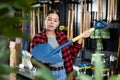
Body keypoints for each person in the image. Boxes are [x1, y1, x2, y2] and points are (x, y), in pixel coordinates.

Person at [30, 9, 90, 80]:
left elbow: (72, 53)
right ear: (45, 20)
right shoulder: (38, 37)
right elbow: (33, 60)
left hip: (63, 73)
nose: (52, 22)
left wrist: (81, 37)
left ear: (58, 23)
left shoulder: (62, 36)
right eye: (49, 19)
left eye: (55, 21)